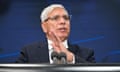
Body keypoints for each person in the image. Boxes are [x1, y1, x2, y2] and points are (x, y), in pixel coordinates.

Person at [16, 4, 95, 64]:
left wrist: (72, 59)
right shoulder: (29, 53)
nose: (62, 22)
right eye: (56, 18)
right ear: (44, 26)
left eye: (66, 18)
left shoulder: (86, 54)